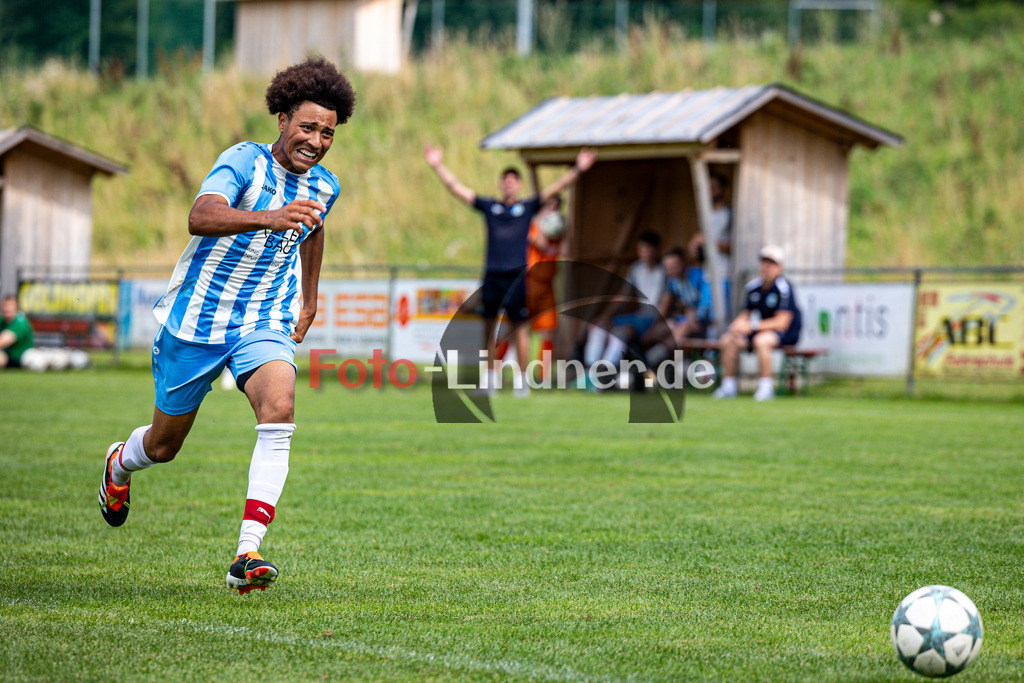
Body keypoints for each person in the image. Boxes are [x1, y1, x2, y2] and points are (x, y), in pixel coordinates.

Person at [97, 57, 357, 594]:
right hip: (195, 321)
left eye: (328, 132)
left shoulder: (326, 185)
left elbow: (314, 229)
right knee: (165, 446)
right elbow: (201, 215)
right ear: (283, 118)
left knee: (279, 407)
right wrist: (270, 216)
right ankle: (119, 464)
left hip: (264, 319)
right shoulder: (242, 161)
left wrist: (309, 300)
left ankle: (248, 553)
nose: (317, 140)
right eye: (308, 126)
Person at [424, 144, 596, 396]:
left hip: (517, 277)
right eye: (505, 181)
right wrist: (437, 166)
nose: (509, 185)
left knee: (520, 329)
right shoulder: (490, 208)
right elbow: (458, 189)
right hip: (493, 275)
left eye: (514, 181)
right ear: (500, 185)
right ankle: (490, 379)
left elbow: (555, 189)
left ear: (520, 186)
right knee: (489, 329)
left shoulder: (527, 209)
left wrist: (578, 170)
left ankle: (521, 381)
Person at [713, 245, 802, 402]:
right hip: (758, 330)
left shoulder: (784, 288)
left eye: (771, 264)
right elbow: (745, 315)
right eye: (763, 263)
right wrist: (737, 326)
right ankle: (728, 385)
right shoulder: (753, 287)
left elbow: (782, 322)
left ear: (779, 268)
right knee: (728, 339)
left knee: (762, 340)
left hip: (785, 333)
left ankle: (766, 386)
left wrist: (753, 326)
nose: (766, 267)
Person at [583, 231, 667, 373]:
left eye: (649, 249)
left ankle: (604, 373)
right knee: (598, 327)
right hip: (639, 316)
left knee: (621, 332)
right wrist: (606, 316)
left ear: (657, 250)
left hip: (652, 317)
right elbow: (623, 295)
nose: (645, 253)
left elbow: (666, 303)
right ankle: (589, 370)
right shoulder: (636, 268)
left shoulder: (663, 271)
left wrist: (654, 328)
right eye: (641, 249)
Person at [641, 247, 703, 368]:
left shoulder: (698, 276)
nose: (672, 270)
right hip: (688, 318)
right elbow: (677, 305)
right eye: (668, 267)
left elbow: (703, 305)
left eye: (675, 265)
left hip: (703, 320)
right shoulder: (673, 282)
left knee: (681, 331)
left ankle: (653, 361)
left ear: (684, 262)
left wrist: (689, 317)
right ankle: (652, 362)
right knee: (658, 330)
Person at [526, 194, 566, 381]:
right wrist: (543, 222)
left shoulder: (559, 231)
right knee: (514, 330)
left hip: (547, 286)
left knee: (548, 332)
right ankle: (494, 373)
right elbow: (540, 243)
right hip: (527, 283)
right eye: (550, 207)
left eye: (557, 208)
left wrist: (564, 231)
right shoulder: (532, 225)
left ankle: (543, 378)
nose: (553, 212)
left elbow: (567, 251)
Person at [0, 295, 34, 369]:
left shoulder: (20, 322)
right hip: (9, 359)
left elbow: (2, 341)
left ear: (16, 307)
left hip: (23, 360)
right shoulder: (2, 321)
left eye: (10, 305)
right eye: (5, 305)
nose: (7, 308)